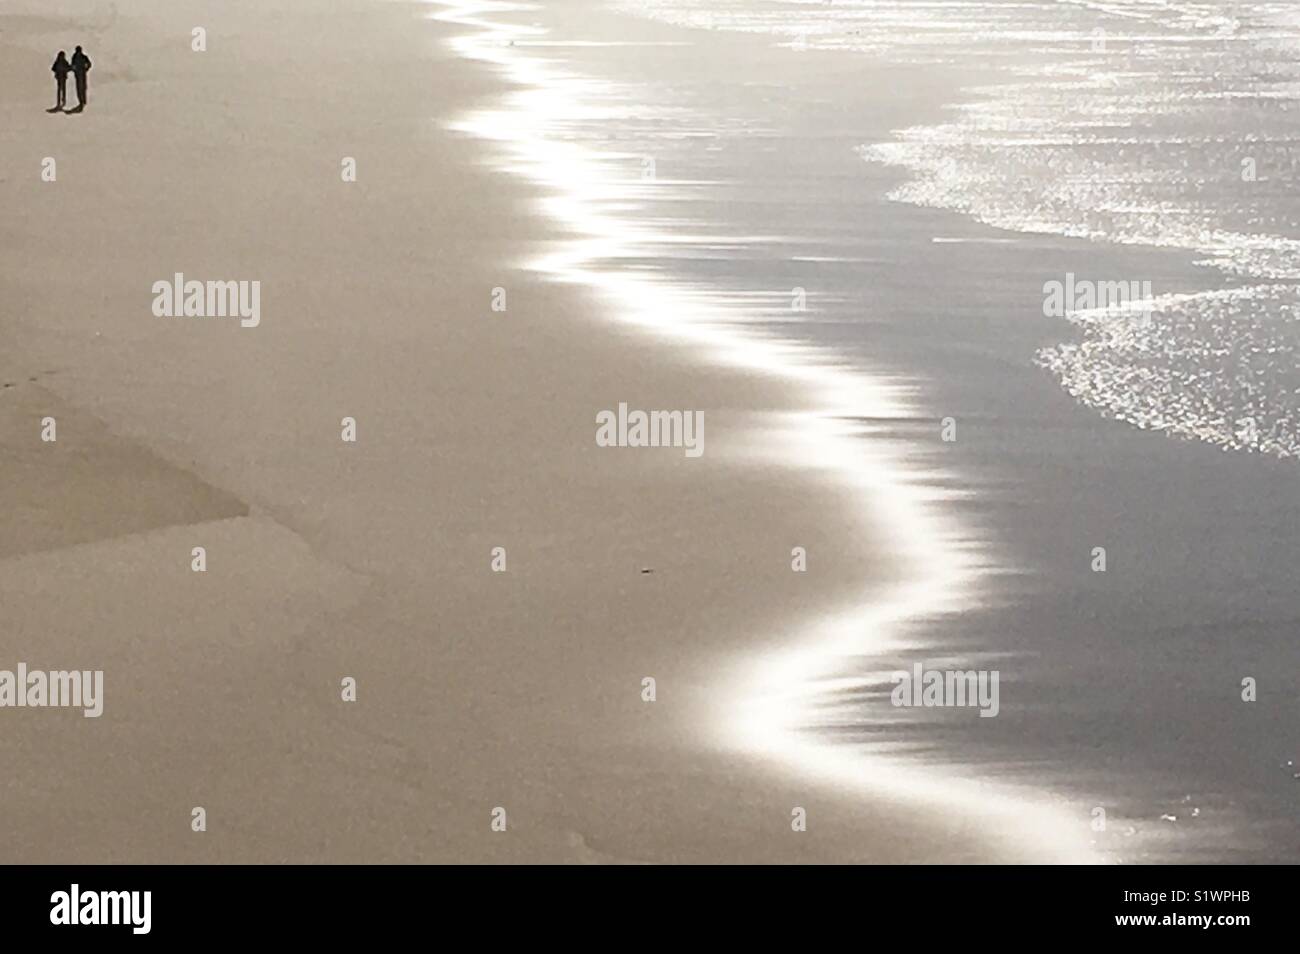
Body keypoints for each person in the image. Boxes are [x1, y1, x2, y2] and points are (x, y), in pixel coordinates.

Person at [69, 45, 92, 109]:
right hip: (79, 74)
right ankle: (81, 101)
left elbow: (89, 64)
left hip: (82, 74)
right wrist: (74, 70)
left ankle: (83, 100)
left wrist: (86, 69)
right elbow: (72, 65)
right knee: (80, 88)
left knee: (83, 87)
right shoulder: (75, 57)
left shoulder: (82, 57)